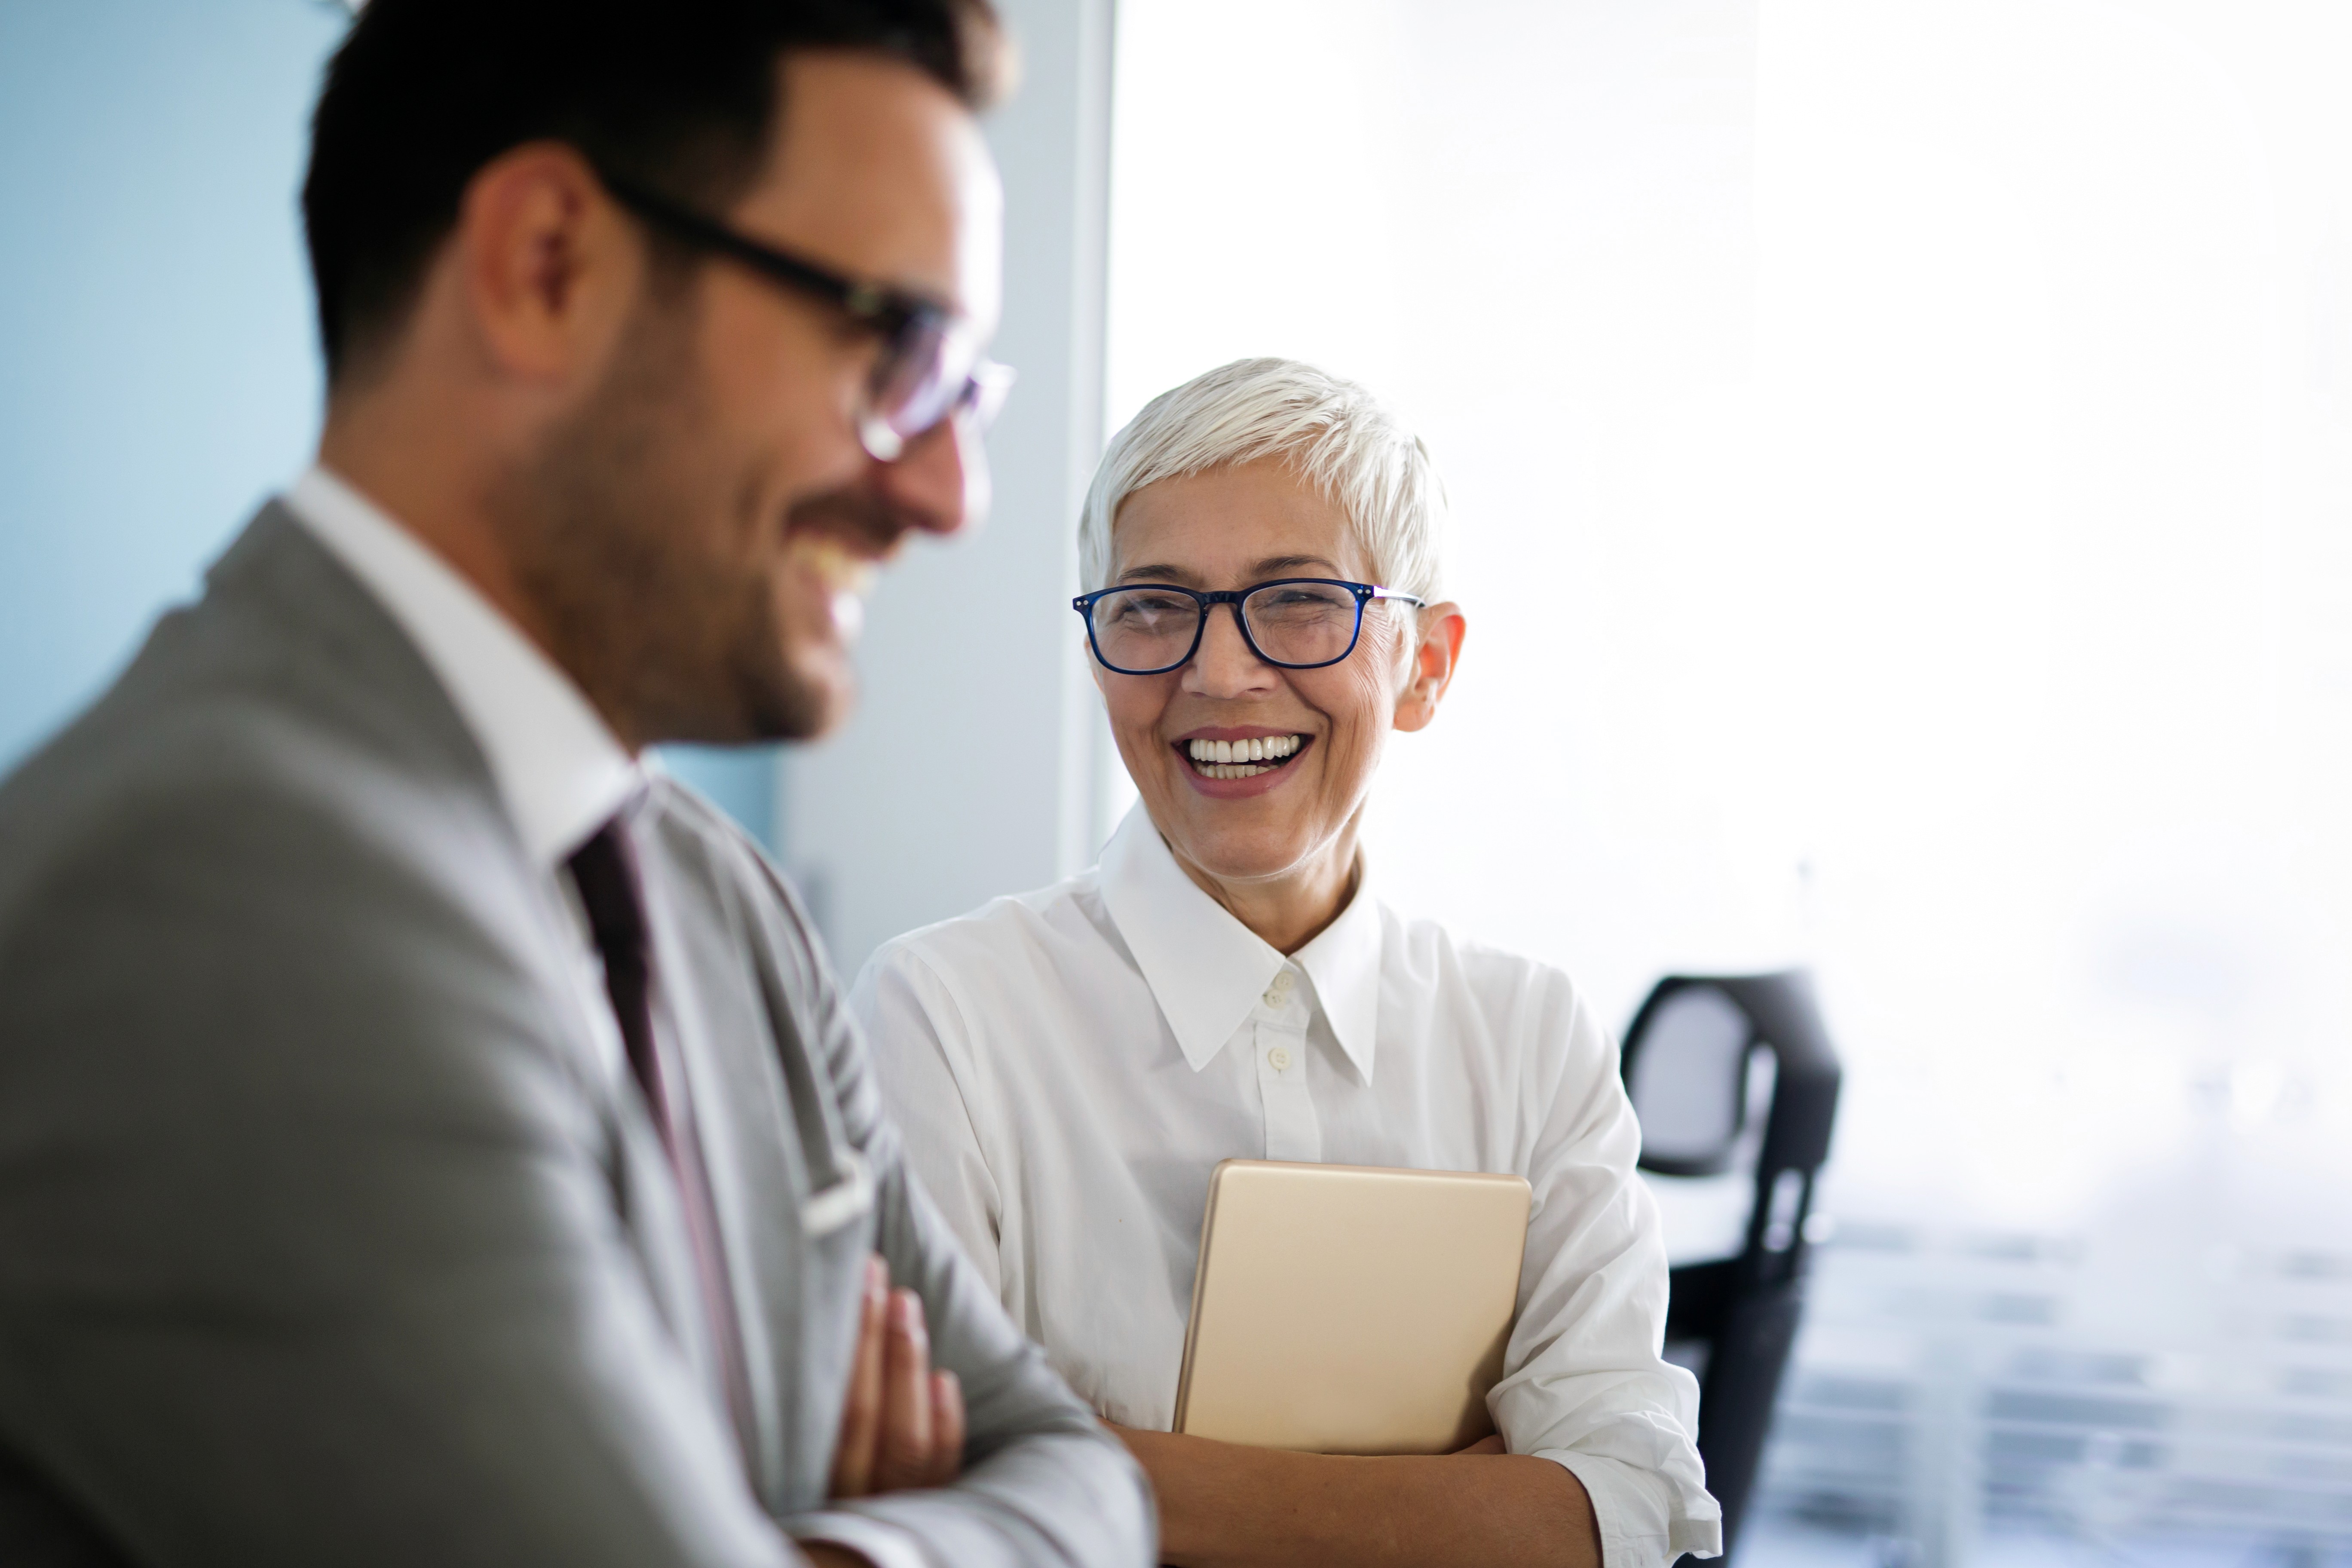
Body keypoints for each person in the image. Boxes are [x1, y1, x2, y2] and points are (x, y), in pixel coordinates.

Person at [0, 4, 1153, 1566]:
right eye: (896, 346)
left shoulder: (717, 894)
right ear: (547, 264)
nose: (950, 494)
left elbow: (1078, 1473)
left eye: (963, 388)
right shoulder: (213, 890)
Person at [854, 357, 1722, 1568]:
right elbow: (935, 1492)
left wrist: (1082, 1468)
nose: (1217, 673)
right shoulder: (947, 1014)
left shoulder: (1528, 1034)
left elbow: (1625, 1509)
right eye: (1153, 606)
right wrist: (1457, 1502)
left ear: (1426, 664)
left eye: (1301, 600)